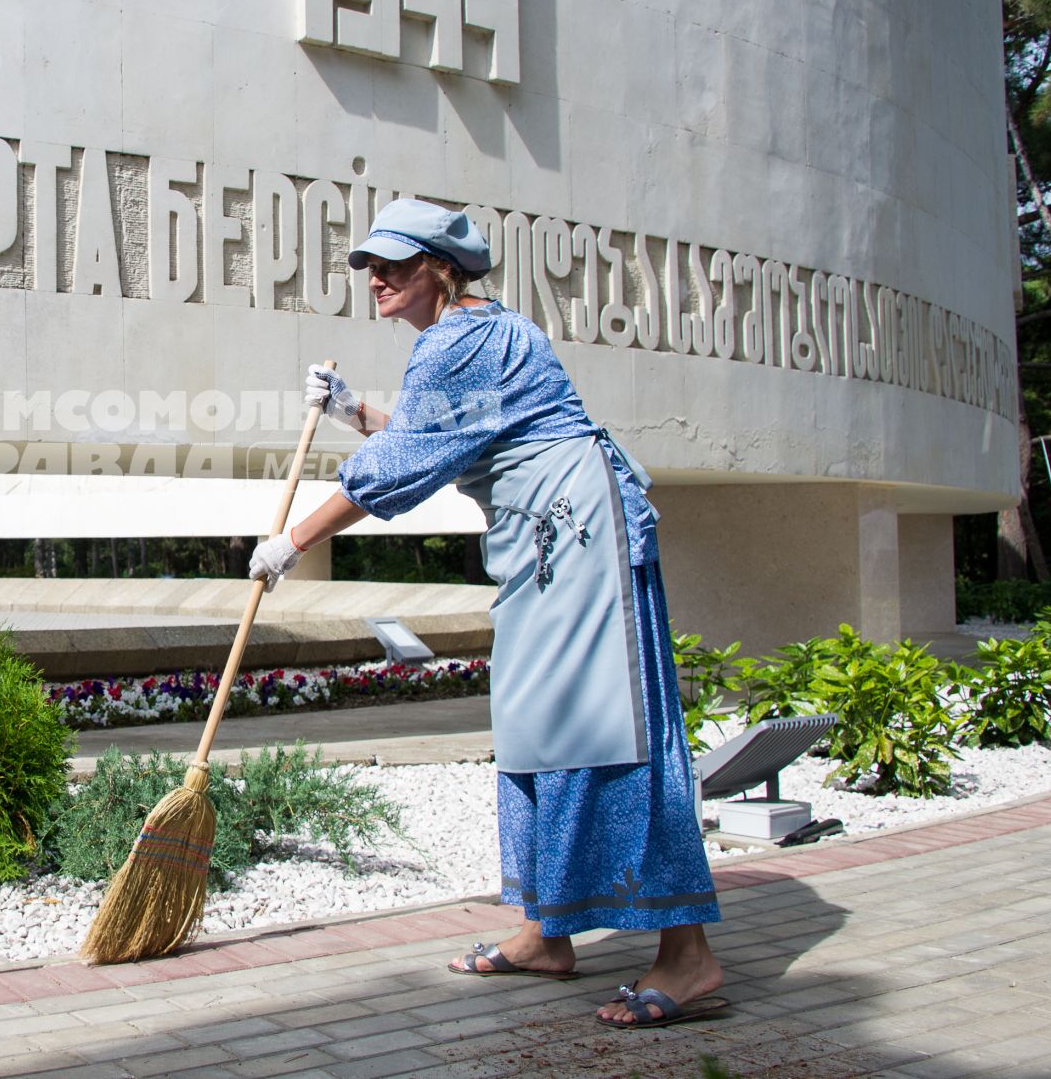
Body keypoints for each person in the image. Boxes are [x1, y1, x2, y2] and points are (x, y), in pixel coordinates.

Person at [248, 198, 725, 1029]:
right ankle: (548, 931)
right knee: (537, 717)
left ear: (442, 266)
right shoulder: (478, 334)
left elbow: (409, 461)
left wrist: (292, 540)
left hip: (575, 534)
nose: (379, 280)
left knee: (609, 724)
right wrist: (351, 408)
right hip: (550, 536)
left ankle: (686, 954)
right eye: (371, 267)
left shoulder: (458, 343)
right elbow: (442, 438)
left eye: (396, 263)